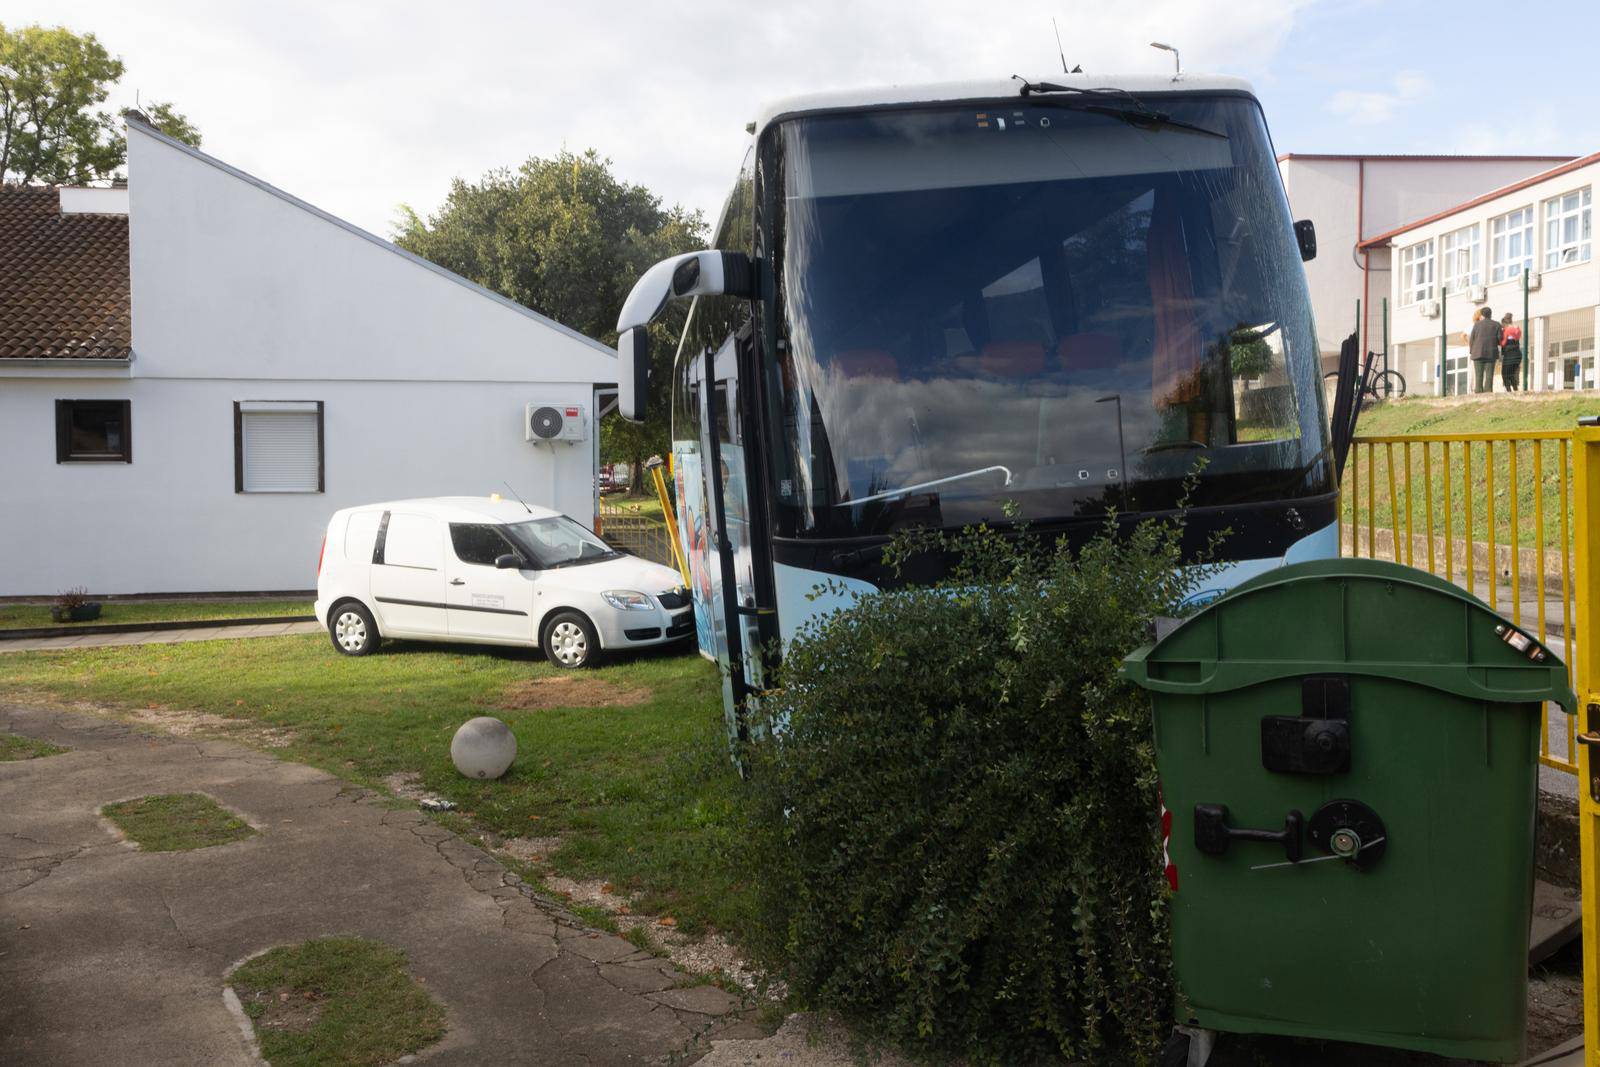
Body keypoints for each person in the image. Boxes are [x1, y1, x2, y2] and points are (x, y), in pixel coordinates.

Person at [1469, 306, 1503, 393]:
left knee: (1478, 375)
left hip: (1477, 353)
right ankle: (1488, 392)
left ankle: (1478, 391)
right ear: (1490, 314)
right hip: (1491, 353)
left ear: (1482, 315)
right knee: (1489, 375)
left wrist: (1472, 351)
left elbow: (1472, 339)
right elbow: (1500, 339)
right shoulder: (1497, 324)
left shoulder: (1476, 324)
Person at [1499, 313, 1523, 392]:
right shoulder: (1516, 329)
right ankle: (1515, 390)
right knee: (1511, 374)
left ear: (1504, 323)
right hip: (1518, 354)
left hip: (1509, 354)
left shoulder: (1506, 330)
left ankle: (1509, 391)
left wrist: (1498, 341)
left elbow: (1503, 343)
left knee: (1505, 374)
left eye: (1502, 325)